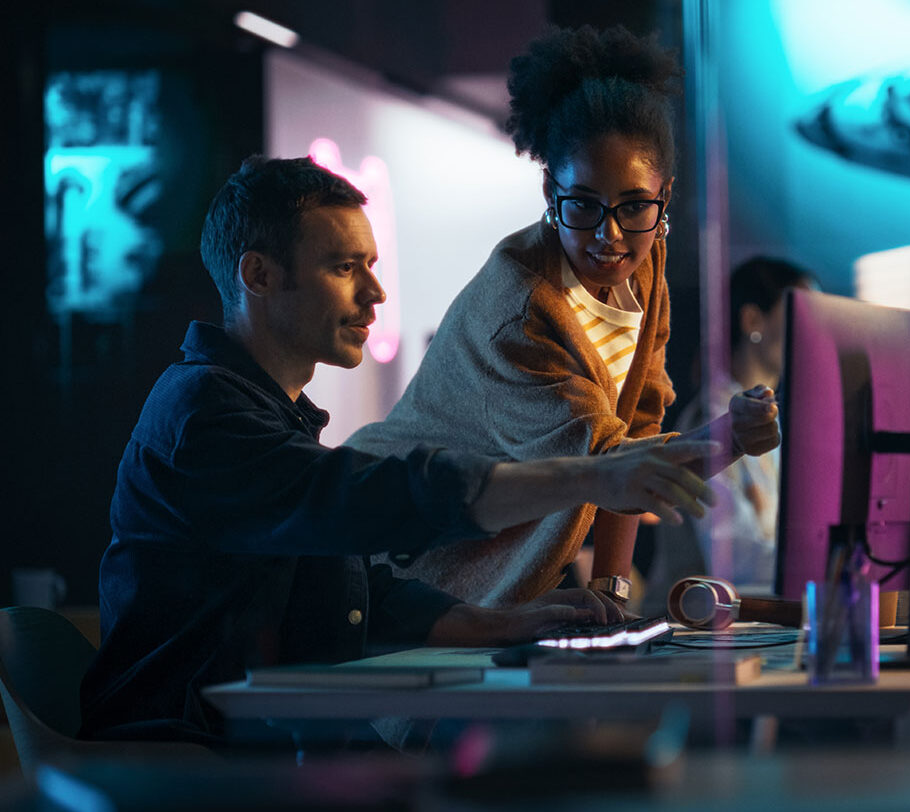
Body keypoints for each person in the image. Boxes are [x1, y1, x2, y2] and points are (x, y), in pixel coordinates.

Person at [79, 156, 716, 746]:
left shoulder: (258, 411)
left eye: (371, 266)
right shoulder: (202, 415)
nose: (374, 295)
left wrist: (507, 622)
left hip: (248, 747)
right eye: (343, 267)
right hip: (186, 758)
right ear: (259, 275)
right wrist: (594, 477)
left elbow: (358, 589)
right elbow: (363, 498)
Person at [346, 26, 779, 609]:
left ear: (664, 197)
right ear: (551, 191)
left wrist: (612, 587)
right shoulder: (520, 311)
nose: (610, 235)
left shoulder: (643, 260)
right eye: (584, 205)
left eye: (633, 206)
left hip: (492, 567)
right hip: (403, 560)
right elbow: (607, 465)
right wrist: (731, 437)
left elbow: (639, 424)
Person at [643, 258, 816, 607]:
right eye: (803, 316)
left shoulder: (767, 421)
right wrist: (828, 563)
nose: (814, 334)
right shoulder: (710, 422)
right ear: (753, 320)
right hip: (686, 638)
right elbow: (735, 562)